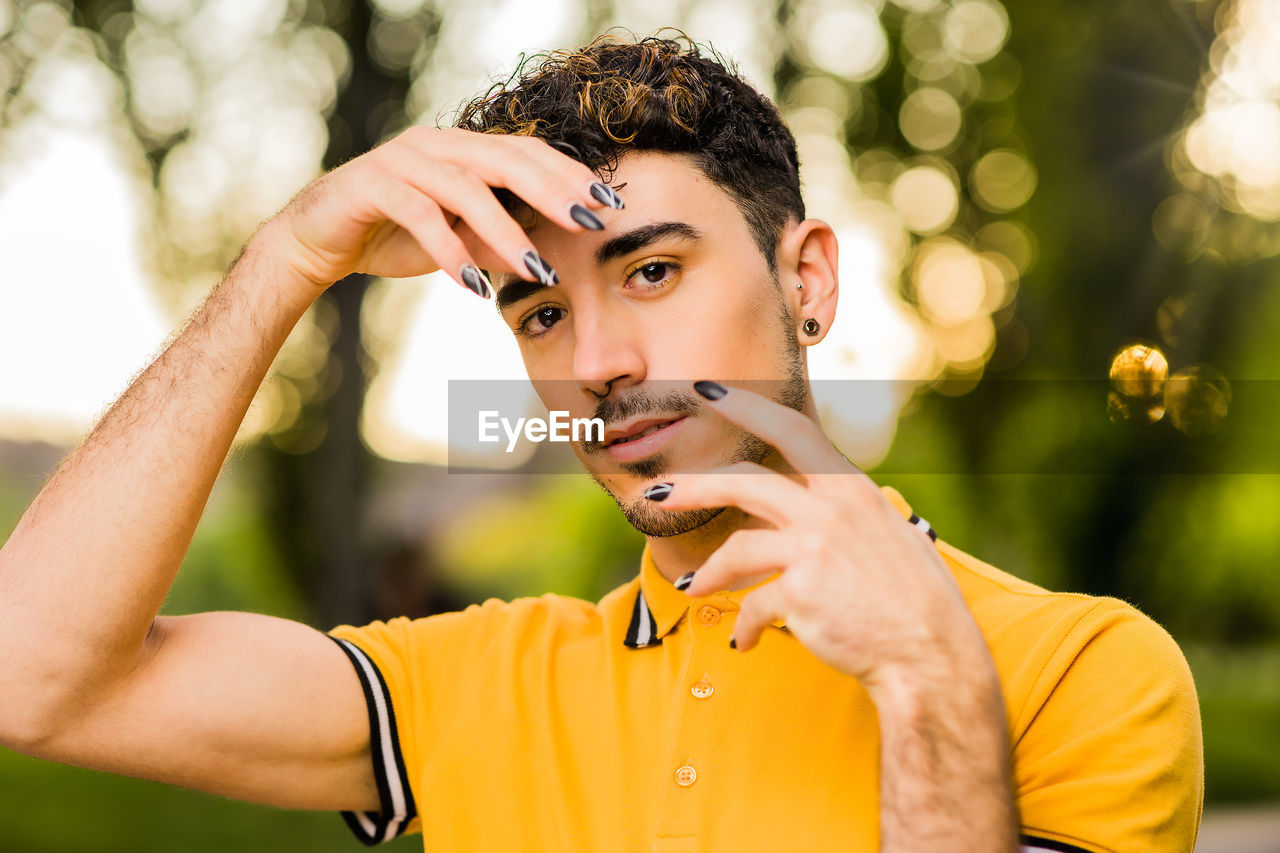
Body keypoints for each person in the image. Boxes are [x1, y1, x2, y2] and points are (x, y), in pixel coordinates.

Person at [0, 34, 1202, 852]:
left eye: (654, 270)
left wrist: (929, 683)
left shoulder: (1078, 671)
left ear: (810, 281)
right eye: (540, 310)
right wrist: (285, 260)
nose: (598, 360)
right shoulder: (465, 684)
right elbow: (35, 679)